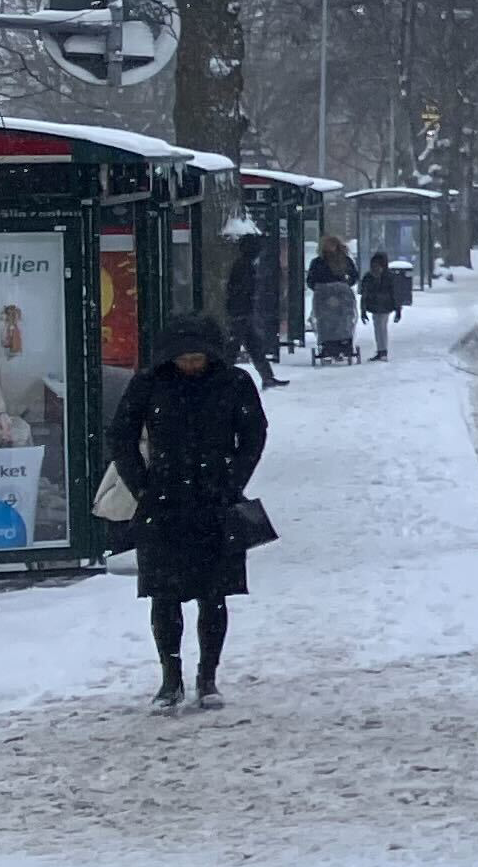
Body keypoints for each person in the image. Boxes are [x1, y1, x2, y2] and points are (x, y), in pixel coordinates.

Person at [106, 311, 268, 709]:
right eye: (184, 358)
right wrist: (142, 485)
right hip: (164, 504)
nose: (192, 365)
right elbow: (121, 435)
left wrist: (233, 481)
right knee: (165, 597)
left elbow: (253, 433)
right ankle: (170, 678)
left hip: (215, 502)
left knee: (214, 595)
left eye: (198, 358)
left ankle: (208, 676)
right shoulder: (150, 384)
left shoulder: (233, 383)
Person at [223, 225, 285, 389]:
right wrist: (241, 309)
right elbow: (240, 290)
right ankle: (221, 378)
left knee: (252, 346)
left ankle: (267, 377)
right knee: (235, 348)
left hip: (242, 312)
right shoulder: (244, 266)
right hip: (241, 312)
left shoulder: (244, 264)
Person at [307, 234, 357, 364]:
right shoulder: (318, 262)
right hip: (324, 297)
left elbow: (353, 277)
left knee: (343, 319)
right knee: (325, 320)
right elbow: (311, 280)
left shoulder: (345, 261)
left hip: (342, 296)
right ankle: (328, 345)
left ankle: (343, 343)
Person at [358, 247, 410, 362]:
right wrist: (397, 310)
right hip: (385, 305)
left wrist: (363, 310)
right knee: (381, 327)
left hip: (377, 305)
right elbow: (395, 294)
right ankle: (382, 351)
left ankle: (382, 350)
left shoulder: (369, 277)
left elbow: (364, 295)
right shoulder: (389, 277)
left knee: (379, 327)